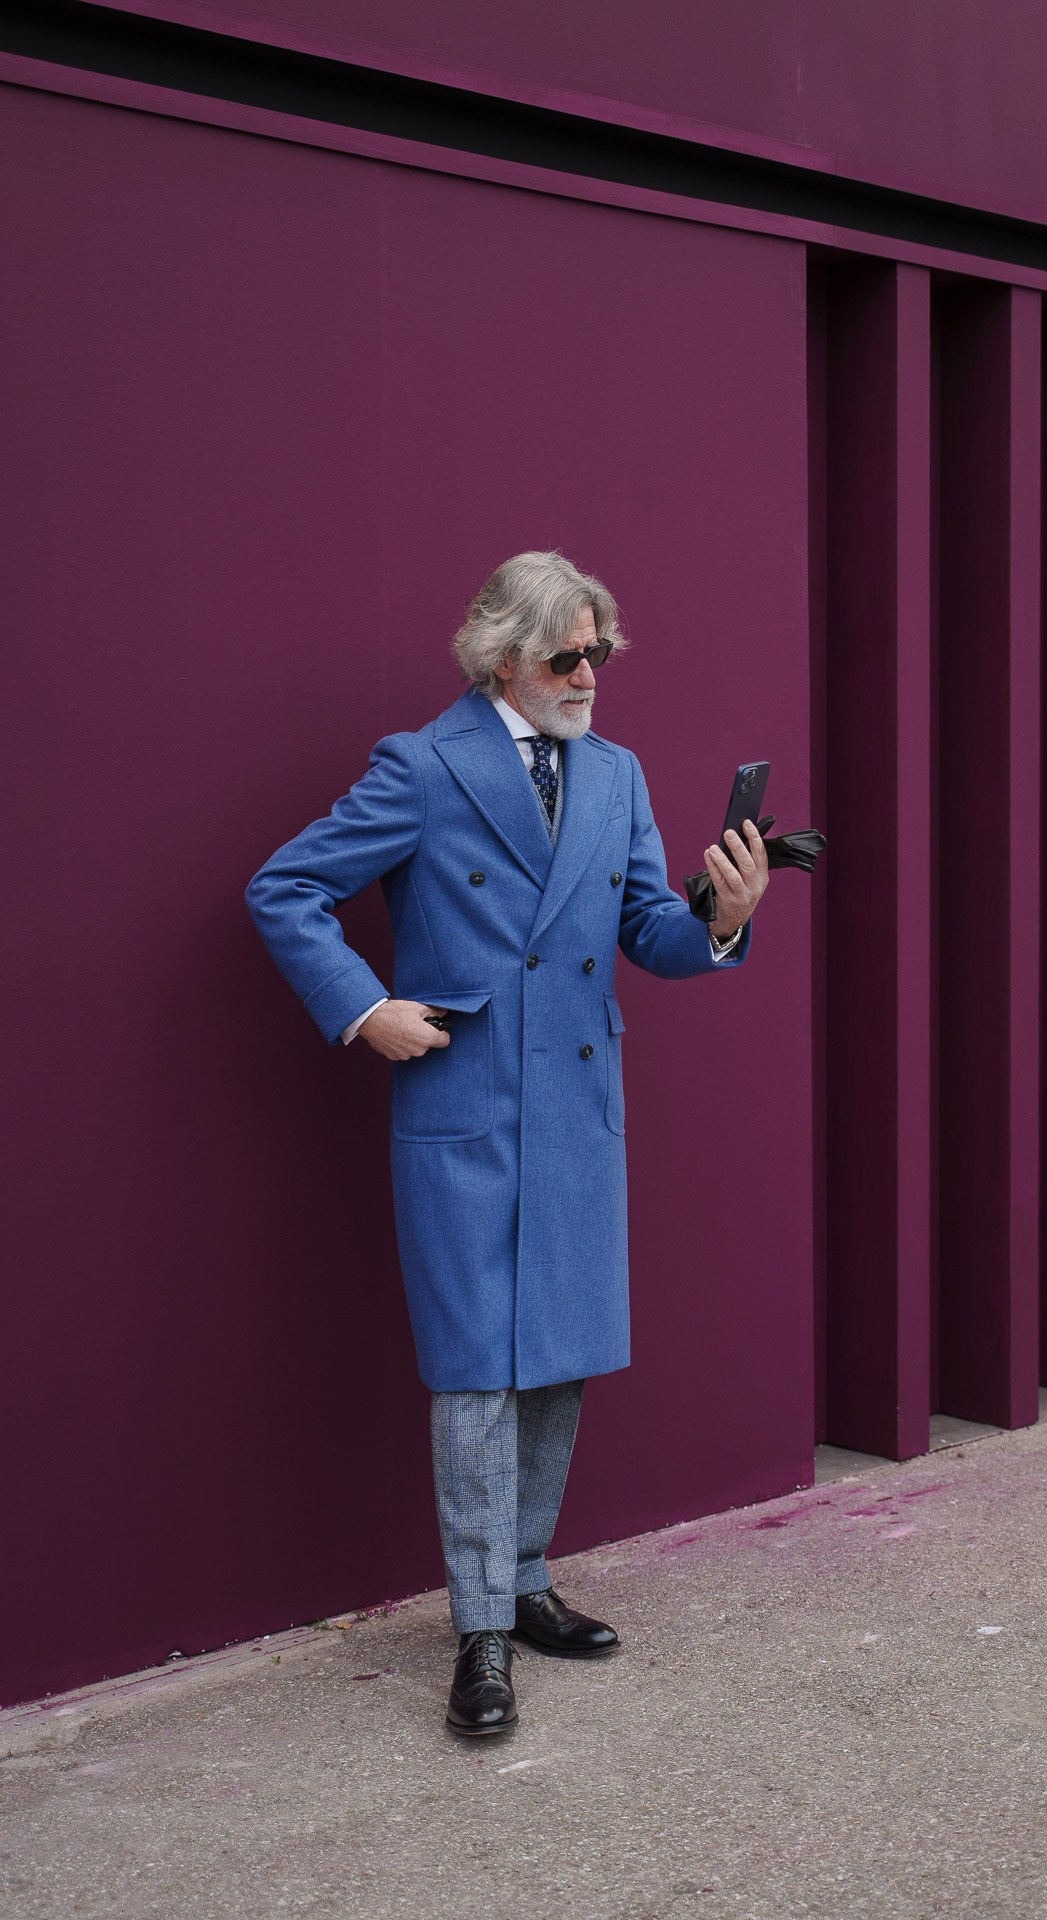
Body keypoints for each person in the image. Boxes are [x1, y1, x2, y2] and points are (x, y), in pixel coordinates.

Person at [245, 551, 769, 1737]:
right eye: (565, 656)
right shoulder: (424, 767)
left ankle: (525, 1581)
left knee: (558, 1354)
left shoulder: (616, 774)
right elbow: (286, 889)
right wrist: (361, 1006)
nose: (589, 675)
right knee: (478, 1367)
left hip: (578, 1107)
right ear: (500, 659)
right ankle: (479, 1630)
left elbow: (650, 933)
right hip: (465, 1102)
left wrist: (722, 921)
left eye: (600, 653)